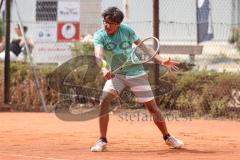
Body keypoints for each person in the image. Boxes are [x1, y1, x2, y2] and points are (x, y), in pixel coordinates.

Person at [91, 6, 184, 152]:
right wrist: (103, 68)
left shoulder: (126, 30)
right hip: (117, 76)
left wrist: (161, 60)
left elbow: (144, 47)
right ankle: (102, 140)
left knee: (152, 107)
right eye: (105, 22)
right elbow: (99, 55)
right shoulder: (99, 35)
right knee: (104, 101)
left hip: (136, 73)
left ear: (118, 24)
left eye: (111, 23)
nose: (107, 25)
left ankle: (167, 137)